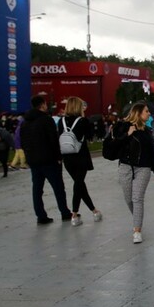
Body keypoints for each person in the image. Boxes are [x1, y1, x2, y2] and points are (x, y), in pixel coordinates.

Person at [20, 95, 73, 224]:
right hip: (49, 160)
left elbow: (23, 142)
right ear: (43, 105)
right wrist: (58, 157)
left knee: (37, 189)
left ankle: (41, 215)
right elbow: (53, 140)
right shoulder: (46, 120)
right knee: (58, 187)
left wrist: (29, 156)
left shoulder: (25, 122)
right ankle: (64, 212)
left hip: (33, 160)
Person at [114, 102, 154, 243]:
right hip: (126, 166)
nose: (149, 114)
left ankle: (137, 230)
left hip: (143, 167)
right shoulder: (123, 126)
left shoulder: (147, 131)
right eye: (146, 111)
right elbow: (115, 145)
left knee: (137, 198)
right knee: (129, 199)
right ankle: (137, 218)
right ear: (138, 113)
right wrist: (127, 134)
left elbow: (151, 152)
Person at [58, 96, 101, 226]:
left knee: (79, 184)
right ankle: (75, 214)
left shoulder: (61, 121)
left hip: (67, 157)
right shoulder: (83, 121)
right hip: (80, 156)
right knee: (79, 184)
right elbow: (89, 136)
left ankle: (94, 210)